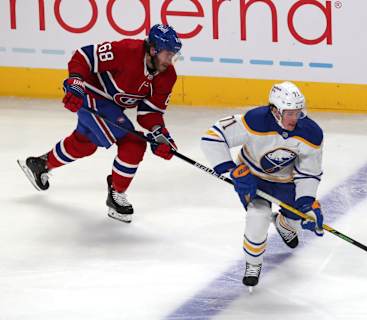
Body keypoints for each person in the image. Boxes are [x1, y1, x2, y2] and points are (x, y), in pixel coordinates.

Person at [17, 24, 182, 223]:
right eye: (167, 54)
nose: (170, 59)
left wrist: (160, 135)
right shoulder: (127, 51)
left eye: (174, 54)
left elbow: (149, 112)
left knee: (84, 143)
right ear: (153, 49)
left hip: (111, 108)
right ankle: (116, 194)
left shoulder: (167, 75)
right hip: (88, 96)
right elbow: (84, 56)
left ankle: (41, 164)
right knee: (134, 143)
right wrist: (76, 83)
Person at [200, 81, 324, 288]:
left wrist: (306, 203)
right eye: (289, 113)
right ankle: (253, 263)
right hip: (252, 179)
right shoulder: (255, 120)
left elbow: (309, 172)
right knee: (258, 216)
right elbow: (212, 137)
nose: (295, 118)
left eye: (298, 112)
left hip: (286, 182)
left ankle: (285, 223)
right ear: (275, 111)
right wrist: (232, 171)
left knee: (297, 218)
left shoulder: (312, 133)